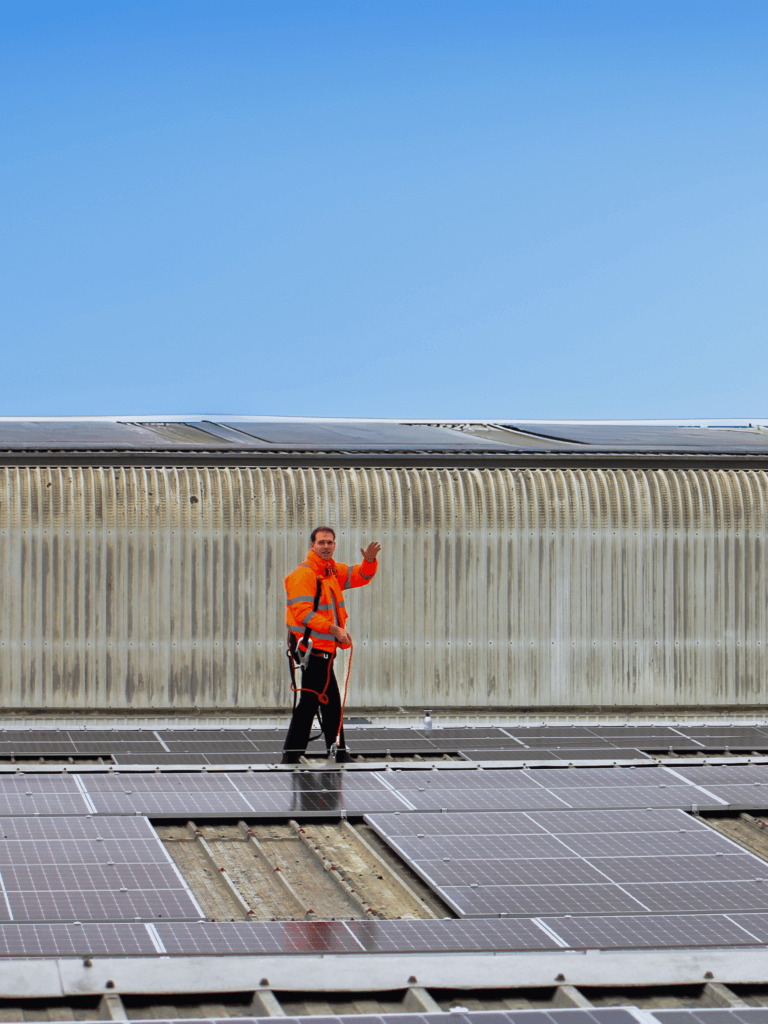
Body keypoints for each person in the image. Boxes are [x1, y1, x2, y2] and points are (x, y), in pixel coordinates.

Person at [281, 526, 381, 764]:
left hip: (324, 650)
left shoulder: (331, 571)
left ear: (335, 545)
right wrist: (335, 629)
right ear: (312, 546)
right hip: (312, 650)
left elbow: (359, 576)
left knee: (321, 702)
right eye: (321, 542)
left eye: (330, 542)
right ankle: (311, 754)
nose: (326, 546)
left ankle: (313, 753)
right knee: (320, 702)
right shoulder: (304, 575)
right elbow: (302, 613)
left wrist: (369, 561)